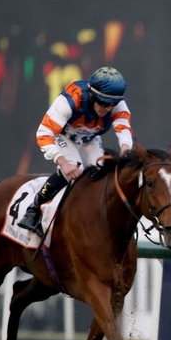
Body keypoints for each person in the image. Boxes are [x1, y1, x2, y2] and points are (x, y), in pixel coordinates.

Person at [17, 66, 133, 236]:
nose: (107, 108)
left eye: (112, 104)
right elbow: (44, 133)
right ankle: (34, 209)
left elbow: (123, 128)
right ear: (92, 94)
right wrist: (62, 162)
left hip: (89, 139)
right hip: (63, 136)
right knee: (74, 166)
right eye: (102, 102)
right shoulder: (72, 99)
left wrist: (126, 147)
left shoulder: (116, 103)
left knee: (100, 172)